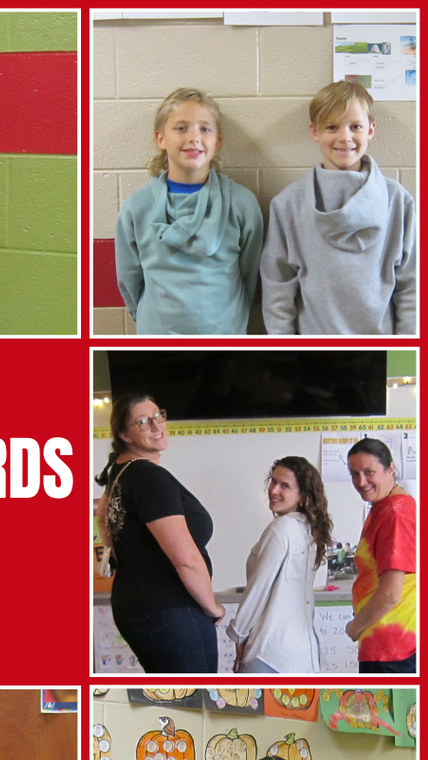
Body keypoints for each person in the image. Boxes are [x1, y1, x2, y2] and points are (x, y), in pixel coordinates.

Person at [262, 81, 416, 334]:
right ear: (315, 132)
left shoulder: (398, 201)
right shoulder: (288, 205)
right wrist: (285, 348)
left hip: (381, 351)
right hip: (312, 353)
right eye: (332, 127)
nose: (345, 137)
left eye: (355, 126)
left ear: (371, 130)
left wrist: (407, 348)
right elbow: (277, 287)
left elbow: (412, 286)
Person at [115, 88, 263, 335]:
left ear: (217, 142)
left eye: (205, 129)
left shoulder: (242, 204)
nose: (194, 137)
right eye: (181, 128)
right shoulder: (137, 207)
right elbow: (129, 278)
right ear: (160, 138)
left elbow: (249, 274)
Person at [95, 393, 224, 673]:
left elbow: (102, 517)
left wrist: (125, 558)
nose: (156, 426)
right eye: (142, 422)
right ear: (124, 435)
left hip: (137, 608)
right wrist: (212, 606)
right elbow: (185, 558)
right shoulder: (148, 478)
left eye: (157, 415)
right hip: (171, 611)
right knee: (194, 696)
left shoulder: (120, 472)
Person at [227, 456, 333, 673]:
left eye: (285, 486)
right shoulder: (310, 531)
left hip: (268, 653)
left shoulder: (281, 529)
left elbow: (257, 592)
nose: (274, 490)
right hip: (305, 655)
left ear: (303, 495)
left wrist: (238, 638)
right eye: (273, 482)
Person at [345, 438, 416, 672]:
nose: (361, 482)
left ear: (390, 469)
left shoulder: (396, 513)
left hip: (393, 651)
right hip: (386, 647)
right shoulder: (383, 506)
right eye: (354, 474)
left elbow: (390, 594)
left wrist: (356, 627)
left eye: (369, 472)